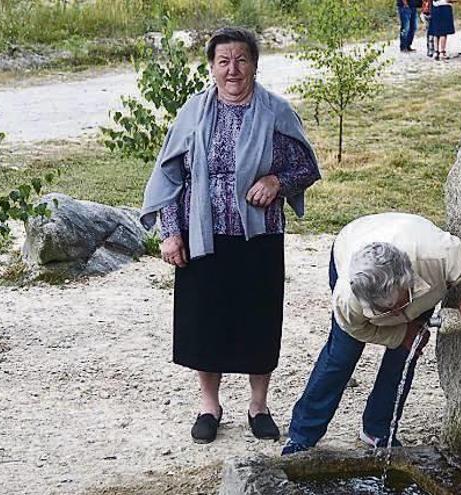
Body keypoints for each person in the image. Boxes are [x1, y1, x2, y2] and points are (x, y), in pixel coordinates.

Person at [140, 27, 321, 445]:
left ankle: (259, 405)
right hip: (203, 235)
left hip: (258, 236)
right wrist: (171, 233)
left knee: (258, 319)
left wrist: (277, 181)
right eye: (224, 61)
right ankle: (209, 405)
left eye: (241, 60)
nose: (233, 69)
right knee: (206, 321)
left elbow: (306, 167)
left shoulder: (276, 112)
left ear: (255, 65)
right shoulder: (193, 112)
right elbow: (170, 177)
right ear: (211, 67)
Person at [282, 213, 461, 455]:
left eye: (396, 305)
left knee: (403, 356)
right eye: (383, 310)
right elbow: (355, 327)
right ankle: (303, 434)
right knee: (341, 356)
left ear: (406, 280)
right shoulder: (348, 296)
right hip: (353, 240)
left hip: (413, 255)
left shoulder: (437, 254)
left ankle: (379, 429)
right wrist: (399, 334)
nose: (391, 314)